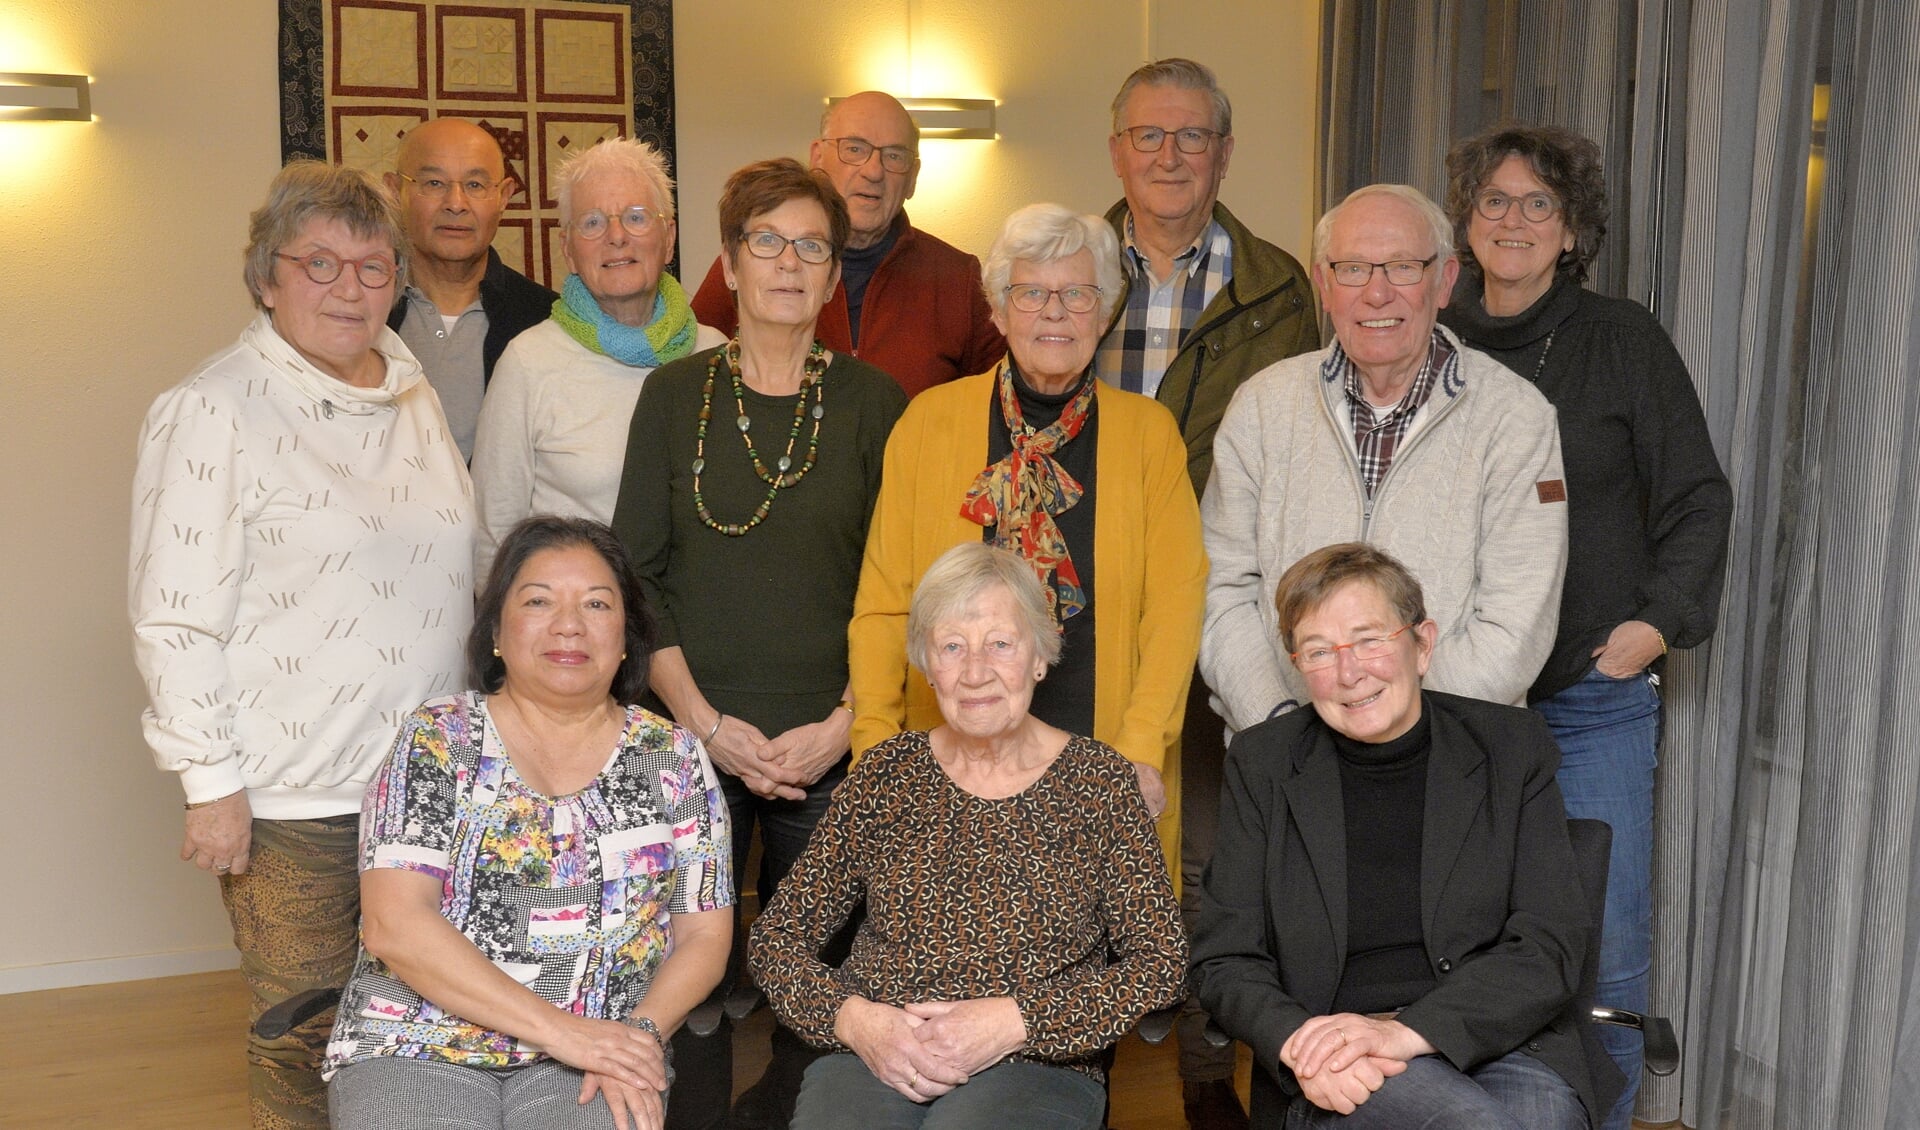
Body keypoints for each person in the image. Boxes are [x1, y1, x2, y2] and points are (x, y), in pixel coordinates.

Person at [129, 160, 475, 1129]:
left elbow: (461, 561)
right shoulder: (214, 408)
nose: (350, 287)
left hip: (427, 781)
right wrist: (211, 784)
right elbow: (174, 611)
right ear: (266, 275)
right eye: (319, 263)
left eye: (373, 268)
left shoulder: (411, 391)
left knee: (420, 1017)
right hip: (294, 794)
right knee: (306, 1025)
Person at [1436, 124, 1733, 1130]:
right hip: (1454, 699)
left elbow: (1698, 498)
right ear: (1466, 225)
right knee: (1459, 930)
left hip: (1589, 698)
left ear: (1571, 233)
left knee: (1604, 936)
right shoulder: (1431, 341)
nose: (1513, 221)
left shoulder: (1623, 342)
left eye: (1538, 205)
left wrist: (1646, 629)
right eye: (1494, 203)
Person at [611, 157, 909, 1130]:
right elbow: (638, 576)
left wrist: (845, 724)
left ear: (833, 276)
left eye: (812, 246)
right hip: (686, 740)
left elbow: (903, 586)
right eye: (767, 242)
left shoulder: (876, 404)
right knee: (684, 981)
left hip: (832, 746)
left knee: (817, 980)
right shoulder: (671, 396)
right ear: (730, 265)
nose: (789, 263)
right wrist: (702, 723)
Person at [753, 542, 1187, 1130]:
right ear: (928, 667)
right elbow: (776, 939)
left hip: (1034, 1059)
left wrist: (1018, 1022)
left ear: (1039, 655)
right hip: (877, 1055)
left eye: (1000, 644)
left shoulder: (1100, 782)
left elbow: (1160, 964)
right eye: (952, 647)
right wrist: (857, 1022)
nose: (976, 671)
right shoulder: (887, 775)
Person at [1191, 543, 1622, 1129]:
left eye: (1370, 640)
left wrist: (1407, 1032)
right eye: (1320, 652)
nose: (1349, 673)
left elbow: (1548, 943)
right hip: (1340, 1051)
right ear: (1298, 665)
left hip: (1497, 1037)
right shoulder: (1264, 763)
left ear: (1421, 644)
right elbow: (1225, 956)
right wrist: (1298, 1041)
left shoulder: (1508, 747)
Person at [324, 516, 733, 1130]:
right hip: (417, 1042)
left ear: (627, 636)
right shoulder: (437, 738)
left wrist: (638, 1035)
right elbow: (394, 925)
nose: (569, 624)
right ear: (496, 630)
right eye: (539, 601)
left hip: (605, 1051)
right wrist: (565, 1033)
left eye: (596, 604)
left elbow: (704, 936)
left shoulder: (672, 756)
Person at [848, 202, 1207, 885]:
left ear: (1104, 315)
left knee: (1101, 975)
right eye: (1032, 292)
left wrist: (1138, 753)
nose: (1055, 313)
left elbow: (1174, 609)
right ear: (998, 310)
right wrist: (875, 751)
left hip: (1103, 759)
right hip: (947, 766)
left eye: (1077, 294)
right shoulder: (928, 423)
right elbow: (884, 604)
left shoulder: (1149, 436)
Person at [1097, 59, 1323, 1126]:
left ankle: (1204, 1058)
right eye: (1151, 135)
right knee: (1090, 825)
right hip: (1090, 601)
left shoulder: (1285, 287)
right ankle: (1076, 1051)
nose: (1171, 155)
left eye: (1193, 137)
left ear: (1224, 153)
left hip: (1231, 592)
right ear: (1118, 150)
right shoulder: (1068, 262)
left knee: (1224, 844)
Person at [1201, 184, 1568, 736]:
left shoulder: (1515, 417)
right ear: (1324, 285)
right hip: (1284, 756)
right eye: (1352, 269)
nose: (1377, 294)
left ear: (1444, 281)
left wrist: (1402, 738)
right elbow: (1221, 589)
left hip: (1452, 756)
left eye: (1402, 268)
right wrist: (1278, 724)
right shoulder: (1262, 407)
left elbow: (1517, 622)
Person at [470, 138, 726, 582]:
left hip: (699, 627)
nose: (616, 236)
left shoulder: (715, 354)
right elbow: (493, 535)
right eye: (592, 222)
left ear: (669, 239)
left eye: (637, 217)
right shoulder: (530, 362)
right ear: (568, 249)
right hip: (574, 629)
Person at [691, 91, 1005, 397]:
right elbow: (696, 370)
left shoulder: (959, 280)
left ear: (913, 178)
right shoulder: (753, 264)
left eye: (894, 155)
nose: (873, 171)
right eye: (854, 149)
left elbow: (1001, 403)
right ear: (817, 157)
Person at [385, 117, 558, 460]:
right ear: (394, 191)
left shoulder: (548, 319)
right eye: (434, 182)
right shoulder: (358, 315)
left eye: (476, 185)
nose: (456, 203)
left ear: (504, 196)